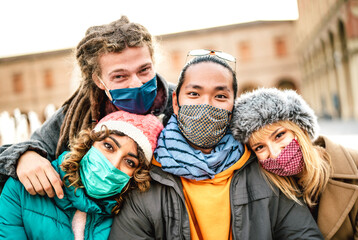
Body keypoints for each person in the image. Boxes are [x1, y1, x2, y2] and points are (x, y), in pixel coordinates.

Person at [108, 52, 324, 239]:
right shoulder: (147, 179)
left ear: (233, 105)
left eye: (220, 96)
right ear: (175, 102)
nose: (206, 104)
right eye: (194, 94)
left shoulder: (264, 173)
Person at [0, 15, 175, 198]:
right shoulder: (78, 114)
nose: (136, 83)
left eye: (144, 70)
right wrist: (24, 157)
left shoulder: (181, 102)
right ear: (98, 80)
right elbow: (26, 148)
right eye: (120, 76)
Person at [0, 110, 164, 239]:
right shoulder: (21, 188)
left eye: (130, 162)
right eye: (108, 146)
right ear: (89, 144)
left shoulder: (130, 214)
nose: (113, 165)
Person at [230, 87, 358, 240]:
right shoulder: (264, 188)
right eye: (259, 147)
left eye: (279, 135)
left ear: (300, 129)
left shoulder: (356, 165)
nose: (275, 153)